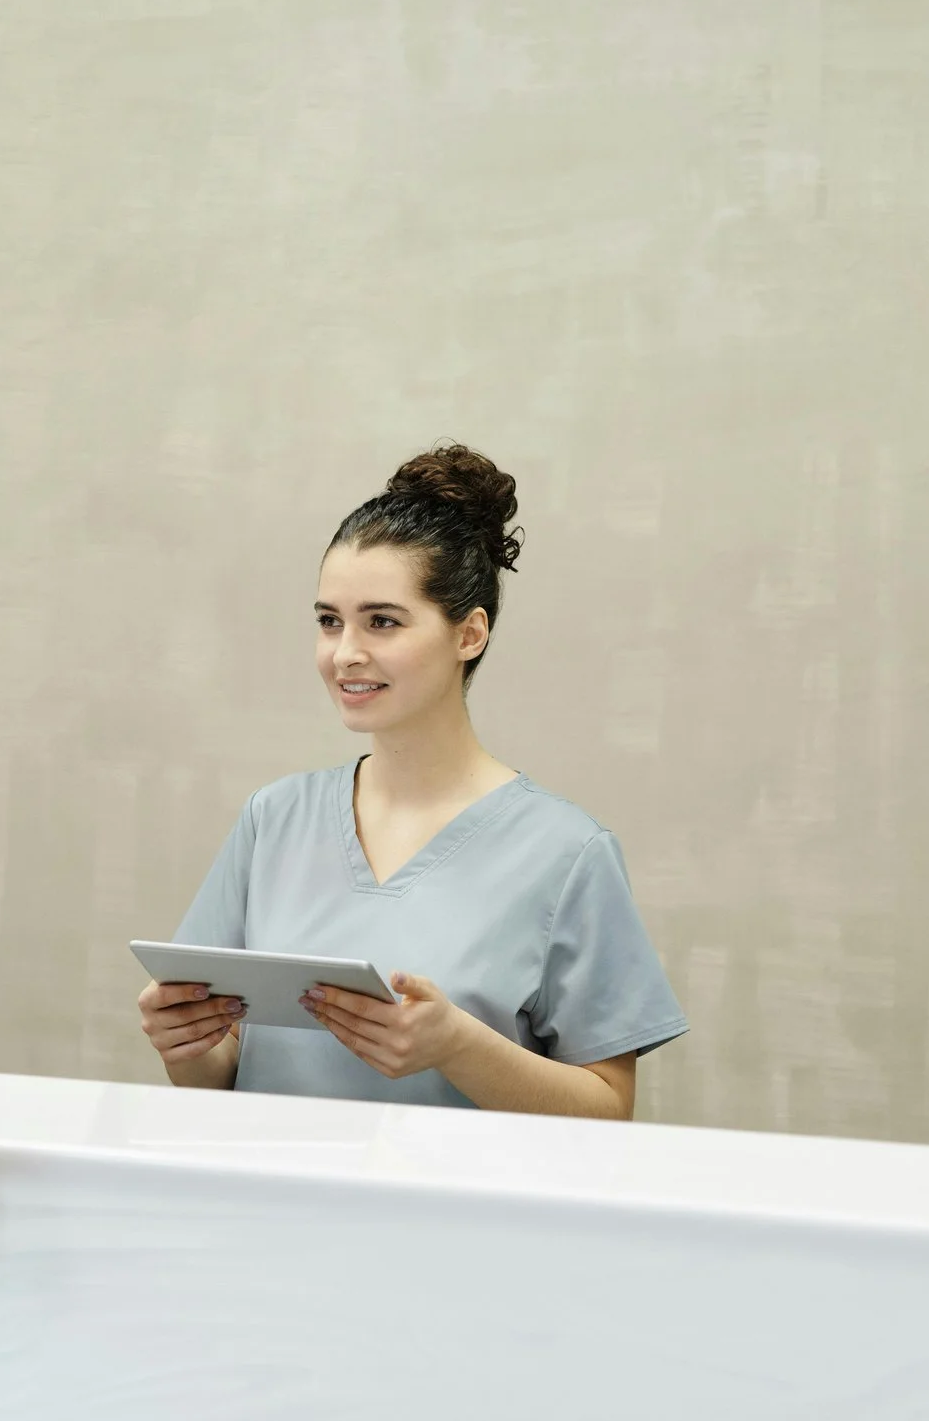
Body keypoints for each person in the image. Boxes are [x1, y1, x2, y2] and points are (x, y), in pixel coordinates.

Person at [139, 443, 686, 1116]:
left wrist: (457, 1045)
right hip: (270, 1215)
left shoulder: (567, 853)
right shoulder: (272, 819)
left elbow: (608, 1109)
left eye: (383, 621)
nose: (346, 653)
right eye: (329, 621)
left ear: (469, 634)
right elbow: (224, 1075)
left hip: (458, 1220)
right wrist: (187, 1046)